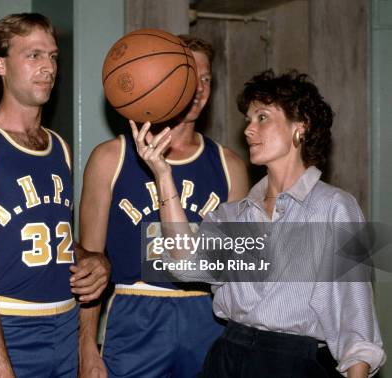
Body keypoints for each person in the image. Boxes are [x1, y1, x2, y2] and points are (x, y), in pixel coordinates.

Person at [136, 70, 385, 377]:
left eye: (262, 117)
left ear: (300, 126)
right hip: (228, 358)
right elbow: (184, 263)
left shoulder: (335, 209)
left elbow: (355, 323)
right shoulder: (232, 216)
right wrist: (163, 175)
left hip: (295, 365)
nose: (249, 131)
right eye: (248, 121)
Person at [0, 13, 109, 377]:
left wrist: (95, 260)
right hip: (7, 327)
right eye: (33, 56)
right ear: (0, 64)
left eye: (52, 57)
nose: (48, 67)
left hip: (64, 325)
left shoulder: (59, 147)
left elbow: (51, 239)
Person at [78, 37, 248, 377]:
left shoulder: (231, 165)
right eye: (189, 76)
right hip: (134, 315)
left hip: (207, 317)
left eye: (206, 79)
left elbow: (237, 270)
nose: (198, 88)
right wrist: (85, 348)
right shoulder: (110, 158)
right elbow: (89, 264)